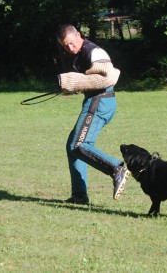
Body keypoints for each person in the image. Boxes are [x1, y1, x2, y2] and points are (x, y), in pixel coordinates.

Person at [56, 24, 130, 205]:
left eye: (71, 43)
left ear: (79, 35)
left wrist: (73, 82)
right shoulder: (80, 54)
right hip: (95, 101)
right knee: (72, 147)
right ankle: (79, 195)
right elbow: (88, 80)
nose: (70, 48)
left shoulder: (94, 52)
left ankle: (116, 168)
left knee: (79, 145)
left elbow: (107, 78)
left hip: (101, 101)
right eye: (65, 46)